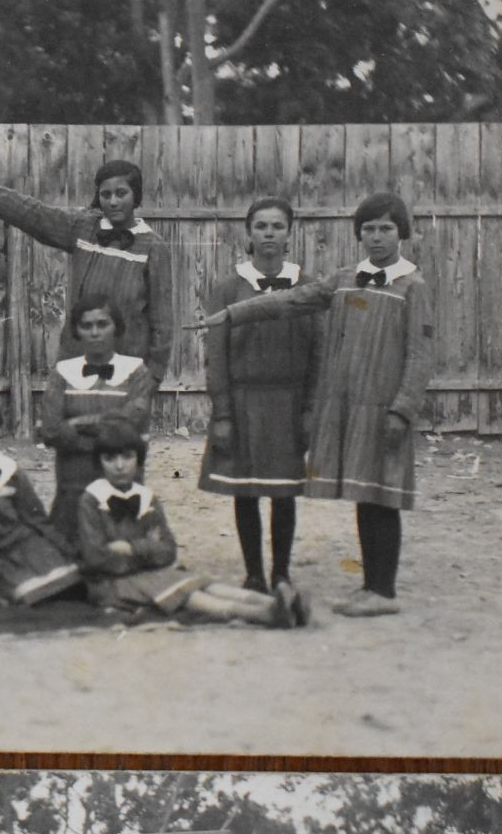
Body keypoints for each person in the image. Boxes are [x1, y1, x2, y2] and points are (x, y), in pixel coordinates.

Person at [188, 192, 435, 617]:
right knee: (363, 490)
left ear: (402, 234)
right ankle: (371, 587)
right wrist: (232, 314)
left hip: (386, 406)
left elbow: (420, 355)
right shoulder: (343, 279)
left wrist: (403, 409)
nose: (376, 238)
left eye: (386, 229)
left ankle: (383, 590)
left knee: (383, 495)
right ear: (359, 234)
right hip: (351, 407)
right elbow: (289, 300)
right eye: (369, 229)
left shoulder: (412, 286)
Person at [196, 197, 321, 594]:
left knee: (284, 492)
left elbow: (319, 352)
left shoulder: (307, 286)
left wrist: (309, 410)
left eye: (277, 226)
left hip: (288, 402)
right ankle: (253, 573)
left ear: (289, 233)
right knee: (246, 489)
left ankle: (281, 571)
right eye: (261, 226)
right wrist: (223, 414)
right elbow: (216, 355)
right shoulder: (228, 287)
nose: (269, 234)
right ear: (248, 232)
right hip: (244, 401)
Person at [0, 158, 171, 379]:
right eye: (105, 194)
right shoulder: (84, 228)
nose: (113, 202)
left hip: (126, 370)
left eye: (121, 193)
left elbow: (162, 322)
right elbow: (35, 213)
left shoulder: (153, 247)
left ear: (136, 196)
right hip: (77, 364)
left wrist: (152, 379)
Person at [77, 421, 304, 628]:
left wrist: (129, 548)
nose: (119, 466)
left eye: (127, 457)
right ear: (99, 463)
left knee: (202, 584)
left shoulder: (146, 497)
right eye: (110, 459)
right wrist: (146, 547)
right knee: (187, 594)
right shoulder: (92, 500)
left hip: (149, 573)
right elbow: (96, 557)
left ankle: (276, 602)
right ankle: (262, 614)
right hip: (111, 584)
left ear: (139, 460)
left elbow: (168, 551)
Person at [37, 294, 157, 542]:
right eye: (86, 325)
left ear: (117, 329)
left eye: (102, 324)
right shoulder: (62, 373)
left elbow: (130, 423)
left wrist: (77, 424)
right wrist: (107, 438)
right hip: (73, 481)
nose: (95, 332)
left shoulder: (137, 372)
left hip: (121, 481)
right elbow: (50, 430)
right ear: (76, 331)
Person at [0, 395, 81, 605]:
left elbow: (35, 517)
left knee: (63, 579)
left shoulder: (9, 470)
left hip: (15, 544)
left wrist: (64, 548)